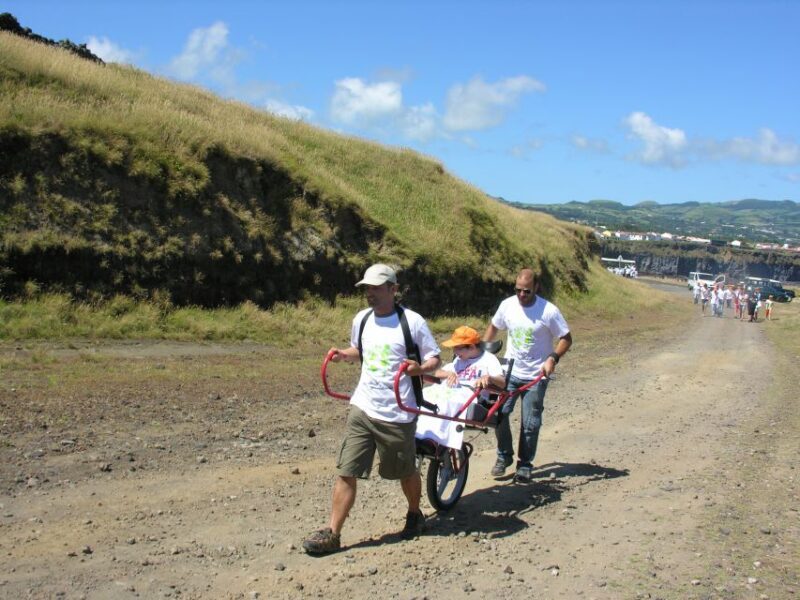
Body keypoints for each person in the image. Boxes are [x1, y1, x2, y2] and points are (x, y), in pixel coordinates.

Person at [302, 264, 441, 554]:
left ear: (393, 289)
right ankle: (333, 533)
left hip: (398, 414)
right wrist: (343, 355)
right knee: (346, 470)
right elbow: (360, 352)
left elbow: (434, 359)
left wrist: (419, 369)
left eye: (376, 288)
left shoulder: (412, 322)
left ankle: (415, 514)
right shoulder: (362, 319)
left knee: (404, 471)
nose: (370, 294)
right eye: (367, 288)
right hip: (363, 407)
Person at [482, 268, 572, 483]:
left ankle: (524, 464)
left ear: (536, 288)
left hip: (536, 375)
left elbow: (566, 338)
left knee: (530, 422)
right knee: (498, 414)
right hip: (510, 372)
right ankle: (504, 456)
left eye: (527, 291)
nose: (522, 295)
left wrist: (552, 358)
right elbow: (494, 327)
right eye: (518, 290)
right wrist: (483, 356)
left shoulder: (548, 311)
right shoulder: (507, 305)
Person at [433, 325, 506, 399]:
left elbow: (502, 383)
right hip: (453, 395)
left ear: (471, 347)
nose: (454, 351)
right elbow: (437, 373)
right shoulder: (459, 359)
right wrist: (448, 373)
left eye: (458, 348)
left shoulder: (488, 359)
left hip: (472, 400)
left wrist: (489, 378)